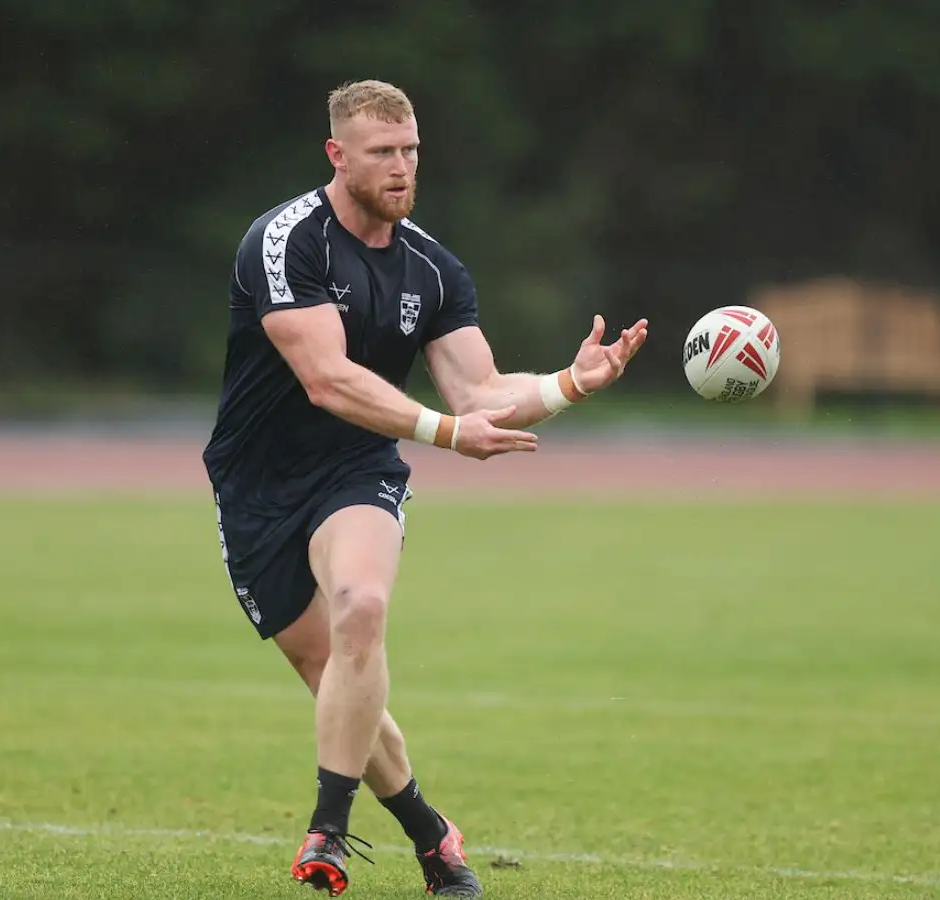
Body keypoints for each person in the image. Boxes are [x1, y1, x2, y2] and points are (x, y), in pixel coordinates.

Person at [202, 79, 648, 897]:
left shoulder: (432, 268)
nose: (402, 168)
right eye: (383, 153)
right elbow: (327, 378)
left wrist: (568, 384)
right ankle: (431, 833)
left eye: (410, 151)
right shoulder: (284, 241)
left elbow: (479, 392)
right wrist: (445, 434)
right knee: (331, 671)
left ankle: (327, 833)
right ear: (338, 155)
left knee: (361, 610)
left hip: (358, 469)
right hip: (257, 485)